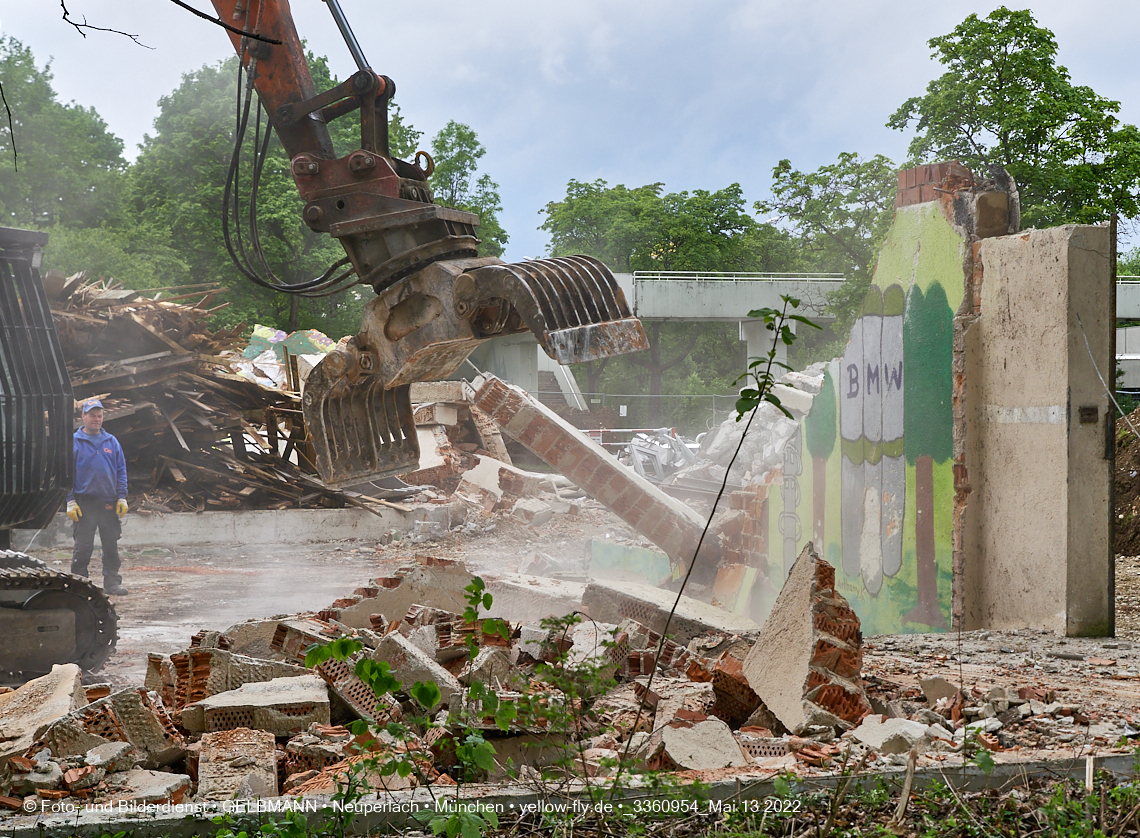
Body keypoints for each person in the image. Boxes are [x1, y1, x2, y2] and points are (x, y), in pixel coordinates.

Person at [67, 399, 130, 596]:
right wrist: (70, 500)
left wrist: (122, 497)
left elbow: (121, 470)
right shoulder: (74, 442)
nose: (96, 419)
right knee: (83, 547)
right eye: (92, 415)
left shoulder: (111, 442)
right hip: (84, 502)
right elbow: (65, 474)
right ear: (83, 417)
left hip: (108, 502)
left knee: (110, 545)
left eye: (99, 416)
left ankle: (112, 583)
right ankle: (79, 586)